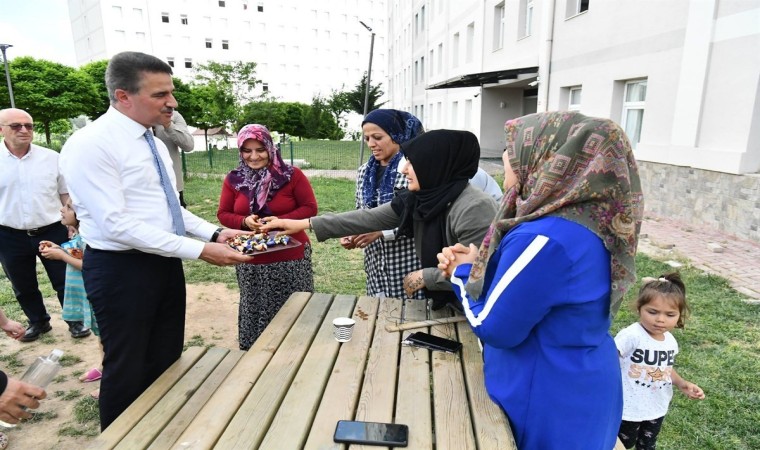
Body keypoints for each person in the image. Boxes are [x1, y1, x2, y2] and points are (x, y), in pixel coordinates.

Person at [59, 51, 252, 430]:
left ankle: (159, 433)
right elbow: (116, 224)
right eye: (160, 94)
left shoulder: (156, 142)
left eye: (172, 92)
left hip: (162, 262)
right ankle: (119, 437)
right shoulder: (91, 144)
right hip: (121, 270)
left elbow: (169, 209)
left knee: (165, 358)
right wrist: (200, 250)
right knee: (128, 366)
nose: (172, 103)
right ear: (123, 96)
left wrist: (214, 232)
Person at [437, 111, 644, 449]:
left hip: (545, 397)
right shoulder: (593, 225)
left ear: (551, 157)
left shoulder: (546, 237)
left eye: (512, 149)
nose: (506, 158)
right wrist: (480, 264)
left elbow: (494, 326)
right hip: (580, 386)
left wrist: (460, 273)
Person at [261, 129, 498, 309]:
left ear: (435, 164)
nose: (404, 169)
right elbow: (368, 218)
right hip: (447, 301)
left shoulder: (474, 207)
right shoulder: (421, 197)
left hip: (473, 306)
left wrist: (427, 276)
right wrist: (303, 224)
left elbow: (479, 270)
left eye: (413, 162)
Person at [217, 124, 317, 350]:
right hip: (251, 258)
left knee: (293, 310)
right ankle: (256, 358)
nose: (254, 156)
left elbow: (310, 208)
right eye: (247, 150)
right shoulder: (234, 179)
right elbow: (223, 214)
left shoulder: (291, 176)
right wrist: (244, 221)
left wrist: (279, 221)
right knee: (256, 307)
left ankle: (298, 356)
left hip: (290, 256)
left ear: (270, 148)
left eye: (260, 149)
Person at [0, 108, 90, 342]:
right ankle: (38, 321)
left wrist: (72, 225)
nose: (24, 130)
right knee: (22, 283)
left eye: (29, 126)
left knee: (64, 278)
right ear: (1, 129)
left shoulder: (51, 158)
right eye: (16, 126)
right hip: (9, 234)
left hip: (51, 228)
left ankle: (75, 320)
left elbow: (64, 193)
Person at [616, 273, 705, 450]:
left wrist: (681, 383)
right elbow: (608, 359)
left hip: (656, 406)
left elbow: (665, 368)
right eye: (653, 312)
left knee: (648, 446)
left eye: (670, 314)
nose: (660, 320)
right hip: (628, 408)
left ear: (679, 315)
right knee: (622, 445)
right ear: (639, 308)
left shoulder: (670, 341)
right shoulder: (631, 335)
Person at [343, 109, 425, 300]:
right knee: (379, 318)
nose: (371, 144)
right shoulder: (365, 171)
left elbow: (421, 217)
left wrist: (381, 232)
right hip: (376, 268)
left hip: (407, 264)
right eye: (367, 138)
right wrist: (352, 231)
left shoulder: (414, 170)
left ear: (397, 135)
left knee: (410, 319)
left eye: (378, 137)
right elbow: (361, 211)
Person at [38, 199, 103, 399]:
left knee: (108, 338)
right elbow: (79, 254)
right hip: (89, 294)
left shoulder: (91, 236)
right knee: (101, 336)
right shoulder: (79, 234)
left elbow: (88, 265)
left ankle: (111, 378)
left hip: (98, 291)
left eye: (68, 208)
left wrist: (61, 256)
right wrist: (59, 248)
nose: (62, 209)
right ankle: (103, 367)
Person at [154, 110, 194, 207]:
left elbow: (189, 145)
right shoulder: (132, 118)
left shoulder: (173, 115)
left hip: (173, 186)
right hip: (144, 188)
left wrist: (168, 125)